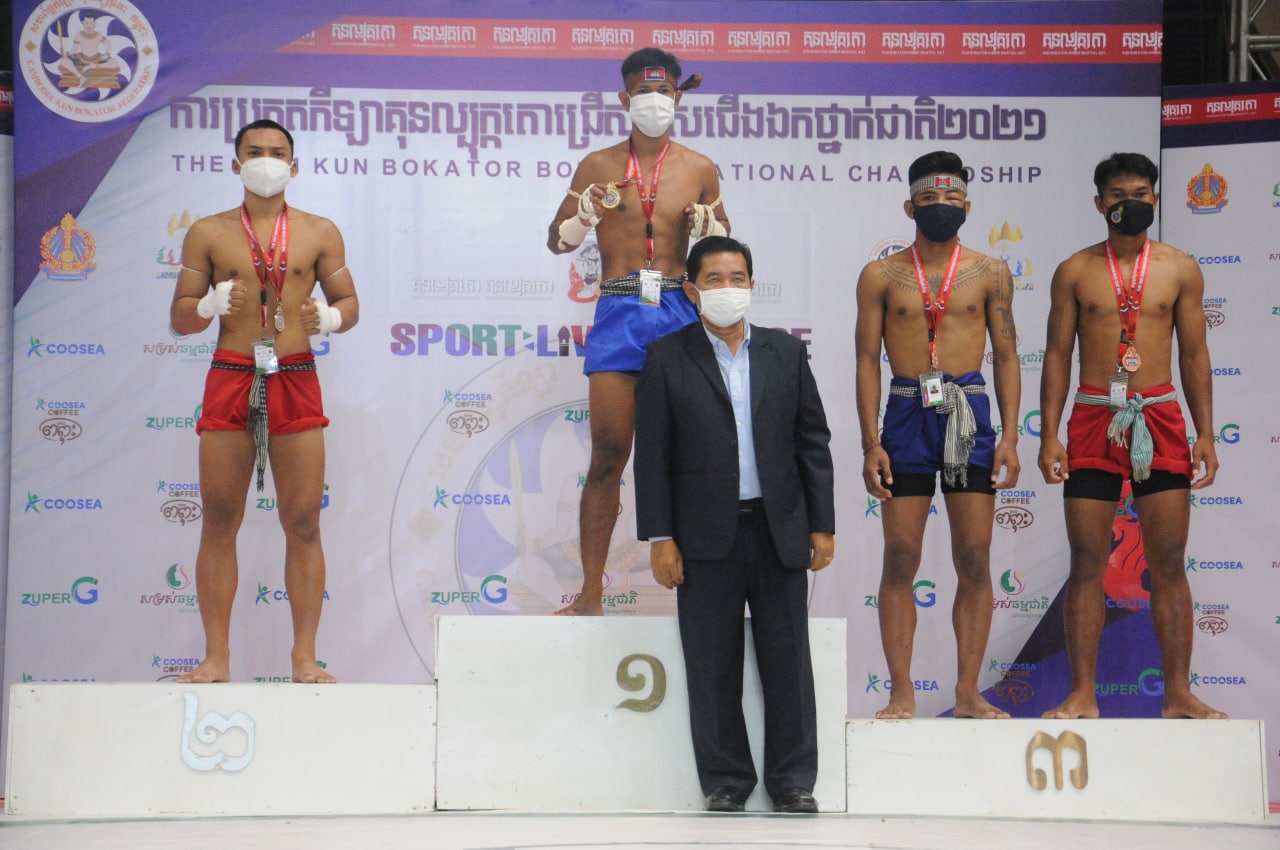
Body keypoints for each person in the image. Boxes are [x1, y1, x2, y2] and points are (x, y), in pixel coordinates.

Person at [634, 236, 834, 814]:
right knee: (711, 663)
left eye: (737, 278)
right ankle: (725, 781)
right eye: (715, 279)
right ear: (692, 289)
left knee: (788, 661)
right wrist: (661, 537)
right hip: (702, 537)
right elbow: (653, 456)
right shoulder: (667, 357)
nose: (728, 288)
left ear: (752, 284)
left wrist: (821, 523)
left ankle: (793, 781)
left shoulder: (785, 353)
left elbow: (812, 443)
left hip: (779, 530)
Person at [1037, 152, 1226, 720]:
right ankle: (1082, 694)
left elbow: (1194, 353)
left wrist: (1206, 432)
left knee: (1168, 559)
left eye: (1141, 194)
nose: (1130, 204)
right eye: (1119, 195)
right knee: (1087, 560)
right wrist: (1050, 435)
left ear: (1156, 199)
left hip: (1159, 416)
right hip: (1094, 416)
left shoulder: (1180, 268)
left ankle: (1178, 695)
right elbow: (1056, 355)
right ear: (1100, 203)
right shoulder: (1074, 270)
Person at [170, 119, 359, 684]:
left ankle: (304, 657)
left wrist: (330, 317)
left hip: (294, 374)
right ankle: (216, 658)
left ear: (293, 165)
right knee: (219, 518)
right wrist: (207, 306)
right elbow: (179, 319)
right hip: (231, 372)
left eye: (277, 152)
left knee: (303, 521)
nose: (266, 161)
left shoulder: (320, 231)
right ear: (236, 164)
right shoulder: (207, 232)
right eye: (254, 152)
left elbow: (350, 303)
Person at [546, 47, 729, 615]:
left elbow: (725, 249)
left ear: (678, 97)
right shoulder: (597, 165)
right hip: (620, 308)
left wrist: (708, 224)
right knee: (607, 454)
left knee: (692, 455)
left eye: (664, 92)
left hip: (677, 307)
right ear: (625, 99)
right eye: (643, 93)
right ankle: (591, 594)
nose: (654, 102)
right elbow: (556, 241)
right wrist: (584, 217)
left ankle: (703, 596)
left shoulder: (699, 167)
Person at [854, 150, 1021, 720]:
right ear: (910, 206)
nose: (941, 206)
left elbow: (1006, 355)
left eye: (952, 198)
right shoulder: (880, 275)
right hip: (906, 416)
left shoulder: (991, 272)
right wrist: (870, 442)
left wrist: (1010, 437)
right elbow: (865, 359)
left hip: (969, 414)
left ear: (967, 206)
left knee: (974, 555)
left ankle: (968, 692)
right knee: (901, 554)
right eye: (929, 198)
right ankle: (901, 691)